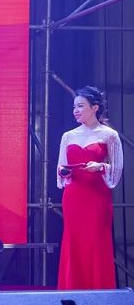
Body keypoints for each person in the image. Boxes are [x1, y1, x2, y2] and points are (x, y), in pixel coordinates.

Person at [57, 86, 123, 290]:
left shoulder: (109, 135)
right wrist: (64, 172)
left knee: (96, 242)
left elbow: (117, 168)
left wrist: (101, 166)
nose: (75, 111)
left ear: (94, 108)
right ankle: (72, 291)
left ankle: (99, 294)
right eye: (74, 107)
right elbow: (60, 168)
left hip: (96, 196)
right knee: (73, 241)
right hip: (73, 196)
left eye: (80, 106)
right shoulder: (68, 136)